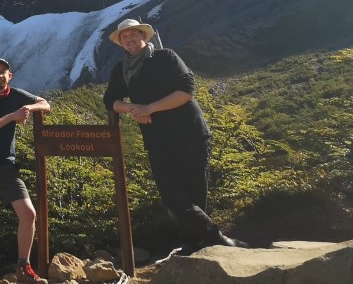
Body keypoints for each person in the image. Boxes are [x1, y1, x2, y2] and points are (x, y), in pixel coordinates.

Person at [103, 17, 247, 256]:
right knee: (172, 196)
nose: (129, 39)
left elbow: (186, 91)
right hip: (157, 140)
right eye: (124, 37)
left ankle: (193, 244)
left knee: (195, 193)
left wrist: (150, 108)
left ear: (143, 36)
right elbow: (110, 100)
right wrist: (133, 108)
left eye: (133, 34)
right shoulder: (121, 69)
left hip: (190, 133)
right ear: (120, 42)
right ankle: (216, 237)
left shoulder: (165, 57)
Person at [0, 57, 51, 284]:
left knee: (28, 214)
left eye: (3, 72)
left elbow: (46, 104)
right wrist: (13, 116)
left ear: (9, 76)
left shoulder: (17, 96)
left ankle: (24, 266)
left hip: (6, 165)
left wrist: (28, 108)